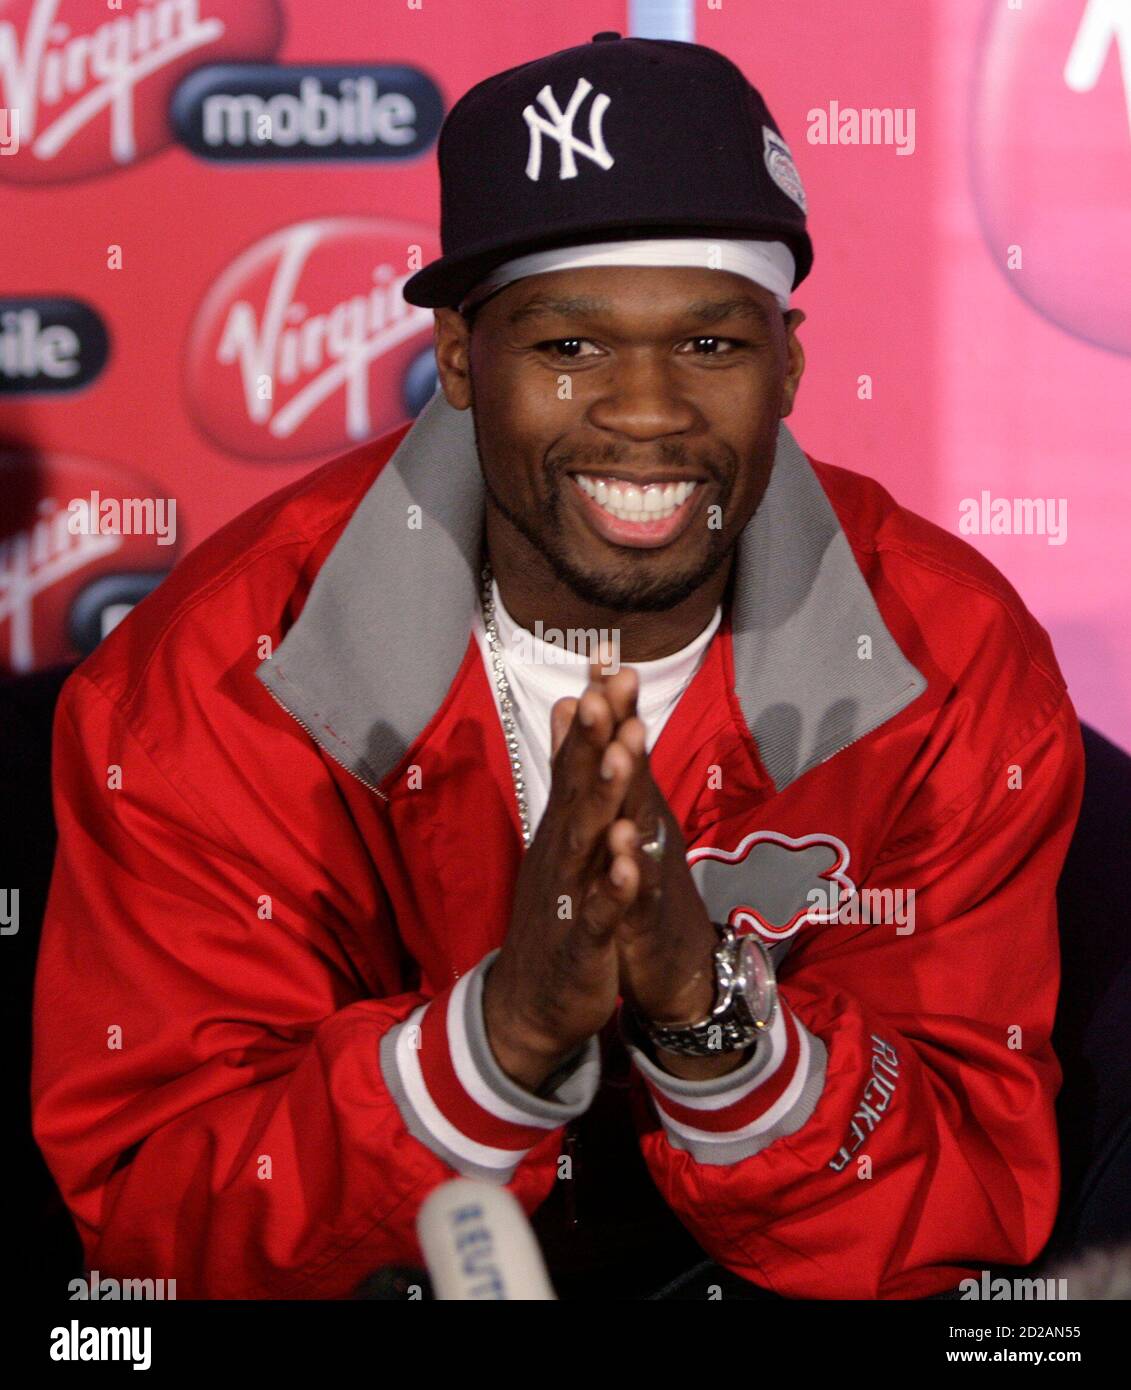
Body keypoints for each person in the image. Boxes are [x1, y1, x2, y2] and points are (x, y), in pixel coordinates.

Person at [32, 33, 1084, 1300]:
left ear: (792, 363)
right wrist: (497, 1039)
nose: (645, 412)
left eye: (710, 345)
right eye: (569, 346)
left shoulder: (953, 660)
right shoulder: (209, 679)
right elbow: (160, 1230)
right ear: (462, 362)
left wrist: (715, 1024)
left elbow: (965, 1204)